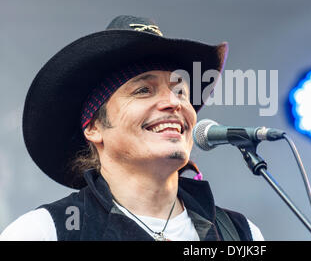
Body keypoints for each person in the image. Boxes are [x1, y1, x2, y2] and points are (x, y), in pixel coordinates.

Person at [0, 15, 264, 241]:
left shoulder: (241, 234)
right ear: (93, 127)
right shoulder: (44, 232)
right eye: (143, 90)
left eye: (181, 91)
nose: (174, 102)